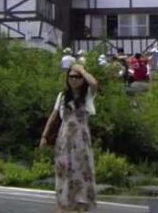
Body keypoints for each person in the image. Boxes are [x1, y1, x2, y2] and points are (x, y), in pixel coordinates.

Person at [41, 64, 99, 212]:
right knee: (64, 168)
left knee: (81, 169)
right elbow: (54, 117)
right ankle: (65, 202)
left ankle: (82, 202)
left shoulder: (87, 95)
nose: (74, 80)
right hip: (65, 137)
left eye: (77, 77)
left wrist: (82, 70)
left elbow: (93, 83)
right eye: (71, 77)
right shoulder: (62, 96)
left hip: (81, 137)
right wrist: (45, 136)